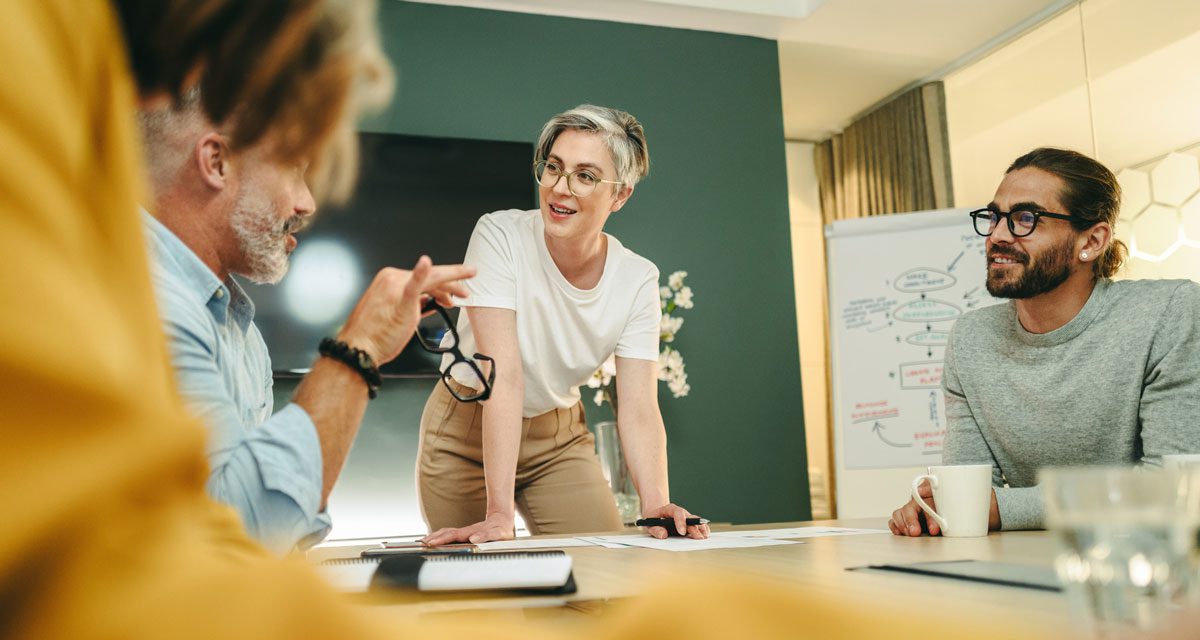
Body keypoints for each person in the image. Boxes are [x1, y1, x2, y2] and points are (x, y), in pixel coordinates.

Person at [138, 92, 473, 553]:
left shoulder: (242, 334)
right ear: (217, 163)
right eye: (294, 169)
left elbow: (289, 527)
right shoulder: (145, 303)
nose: (307, 202)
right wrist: (360, 345)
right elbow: (243, 536)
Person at [418, 105, 709, 545]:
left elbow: (638, 406)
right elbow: (503, 374)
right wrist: (499, 515)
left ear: (620, 195)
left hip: (559, 440)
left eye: (586, 176)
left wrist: (656, 507)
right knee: (483, 588)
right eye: (553, 168)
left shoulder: (637, 279)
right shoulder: (499, 236)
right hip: (466, 435)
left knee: (605, 581)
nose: (559, 188)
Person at [889, 148, 1200, 536]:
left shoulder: (1169, 312)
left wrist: (1003, 507)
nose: (998, 235)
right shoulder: (971, 339)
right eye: (994, 217)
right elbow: (968, 492)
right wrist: (940, 506)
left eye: (1025, 218)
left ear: (1092, 240)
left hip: (1151, 566)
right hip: (1026, 563)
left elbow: (1179, 487)